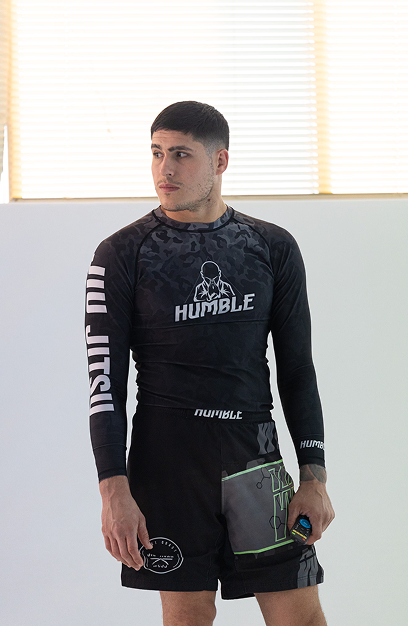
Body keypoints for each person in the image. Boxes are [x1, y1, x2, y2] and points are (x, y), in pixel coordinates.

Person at [84, 100, 335, 626]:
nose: (165, 169)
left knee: (300, 616)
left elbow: (297, 370)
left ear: (220, 161)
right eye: (156, 153)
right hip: (168, 467)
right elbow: (105, 382)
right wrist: (113, 491)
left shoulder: (272, 246)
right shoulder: (121, 253)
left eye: (181, 154)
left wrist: (314, 477)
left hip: (255, 463)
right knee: (187, 618)